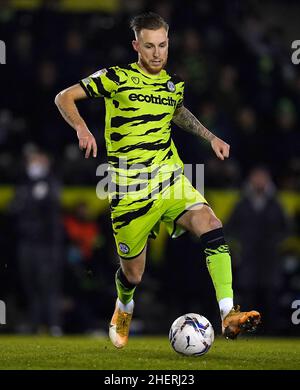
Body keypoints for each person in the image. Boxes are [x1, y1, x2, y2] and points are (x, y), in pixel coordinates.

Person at [55, 12, 261, 348]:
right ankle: (124, 304)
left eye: (162, 45)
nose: (157, 53)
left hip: (169, 177)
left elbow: (176, 110)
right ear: (136, 45)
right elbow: (63, 97)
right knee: (134, 274)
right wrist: (81, 127)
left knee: (210, 222)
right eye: (149, 46)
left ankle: (228, 313)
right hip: (128, 189)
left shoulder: (173, 82)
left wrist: (211, 138)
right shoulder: (115, 78)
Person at [226, 167, 289, 333]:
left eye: (263, 177)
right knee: (248, 293)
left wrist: (277, 243)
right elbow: (230, 227)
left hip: (270, 257)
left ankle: (272, 330)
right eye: (257, 177)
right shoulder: (242, 203)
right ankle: (249, 329)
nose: (259, 181)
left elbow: (285, 228)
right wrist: (239, 244)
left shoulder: (275, 203)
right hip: (249, 256)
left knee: (271, 294)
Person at [11, 147, 63, 335]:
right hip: (27, 243)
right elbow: (14, 209)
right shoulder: (23, 185)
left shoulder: (52, 183)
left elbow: (54, 208)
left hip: (46, 245)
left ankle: (53, 324)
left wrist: (43, 194)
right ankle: (35, 324)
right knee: (30, 285)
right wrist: (31, 198)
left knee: (48, 285)